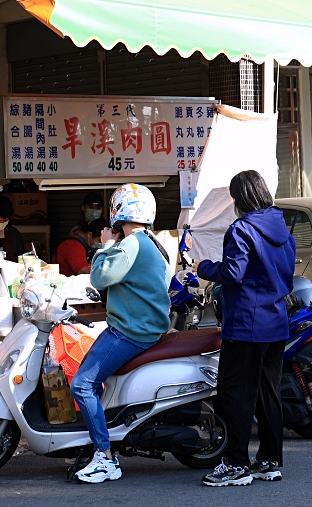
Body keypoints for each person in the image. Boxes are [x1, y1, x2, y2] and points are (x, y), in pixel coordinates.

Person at [195, 170, 295, 488]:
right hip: (276, 323)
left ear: (240, 199)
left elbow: (234, 273)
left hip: (246, 326)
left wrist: (204, 268)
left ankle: (236, 464)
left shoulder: (242, 229)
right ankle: (269, 461)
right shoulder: (282, 228)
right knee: (268, 394)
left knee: (234, 393)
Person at [70, 184, 172, 484]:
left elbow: (100, 276)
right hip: (144, 326)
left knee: (82, 384)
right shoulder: (152, 242)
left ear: (118, 211)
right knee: (92, 383)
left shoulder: (130, 244)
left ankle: (104, 456)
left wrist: (104, 245)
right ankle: (98, 433)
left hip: (130, 331)